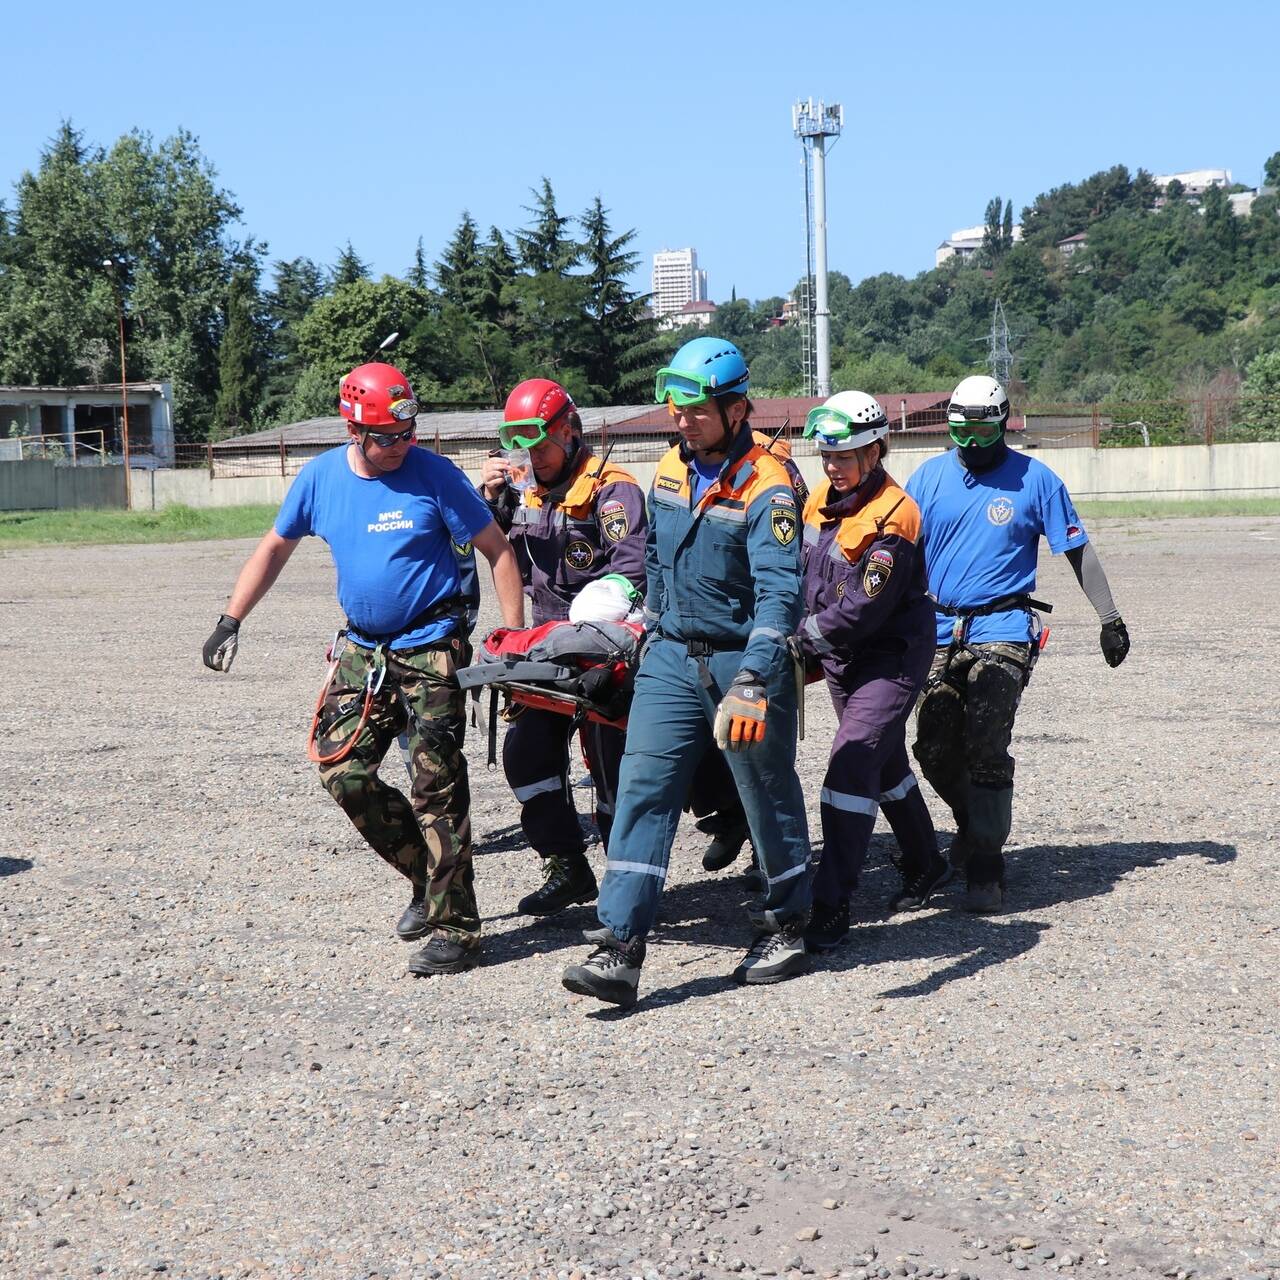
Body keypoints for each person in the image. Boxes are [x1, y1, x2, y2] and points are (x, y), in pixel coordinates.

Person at [202, 361, 524, 974]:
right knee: (342, 770)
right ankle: (427, 878)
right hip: (362, 651)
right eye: (386, 437)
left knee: (438, 785)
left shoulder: (435, 475)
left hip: (432, 646)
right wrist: (231, 618)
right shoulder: (320, 479)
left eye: (407, 434)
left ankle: (457, 928)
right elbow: (274, 547)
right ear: (354, 430)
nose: (400, 446)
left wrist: (510, 639)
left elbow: (499, 552)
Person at [561, 337, 811, 1007]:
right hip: (670, 657)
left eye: (696, 410)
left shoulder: (770, 485)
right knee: (643, 789)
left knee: (764, 793)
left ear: (737, 409)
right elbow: (656, 568)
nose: (681, 419)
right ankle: (619, 945)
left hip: (743, 662)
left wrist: (756, 678)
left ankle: (787, 921)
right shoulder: (669, 471)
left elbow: (780, 595)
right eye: (676, 407)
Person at [906, 375, 1131, 912]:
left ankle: (987, 863)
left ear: (1004, 422)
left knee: (985, 743)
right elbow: (900, 554)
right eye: (961, 429)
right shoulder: (926, 478)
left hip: (1002, 629)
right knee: (932, 747)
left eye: (983, 429)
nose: (971, 441)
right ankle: (974, 826)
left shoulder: (1036, 480)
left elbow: (1078, 551)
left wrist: (1110, 617)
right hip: (935, 628)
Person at [478, 378, 648, 915]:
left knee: (608, 765)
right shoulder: (524, 490)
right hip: (546, 648)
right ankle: (566, 867)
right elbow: (501, 556)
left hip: (605, 647)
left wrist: (595, 616)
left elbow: (633, 570)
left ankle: (627, 886)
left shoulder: (612, 491)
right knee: (526, 755)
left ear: (570, 433)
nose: (532, 458)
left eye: (542, 446)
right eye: (521, 449)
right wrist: (492, 505)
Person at [792, 392, 950, 950]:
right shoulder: (816, 503)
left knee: (850, 765)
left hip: (889, 657)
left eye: (846, 456)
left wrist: (801, 639)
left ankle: (831, 902)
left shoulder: (896, 514)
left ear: (876, 451)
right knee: (882, 764)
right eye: (826, 457)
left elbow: (864, 606)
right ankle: (927, 861)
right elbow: (800, 578)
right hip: (841, 658)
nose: (833, 467)